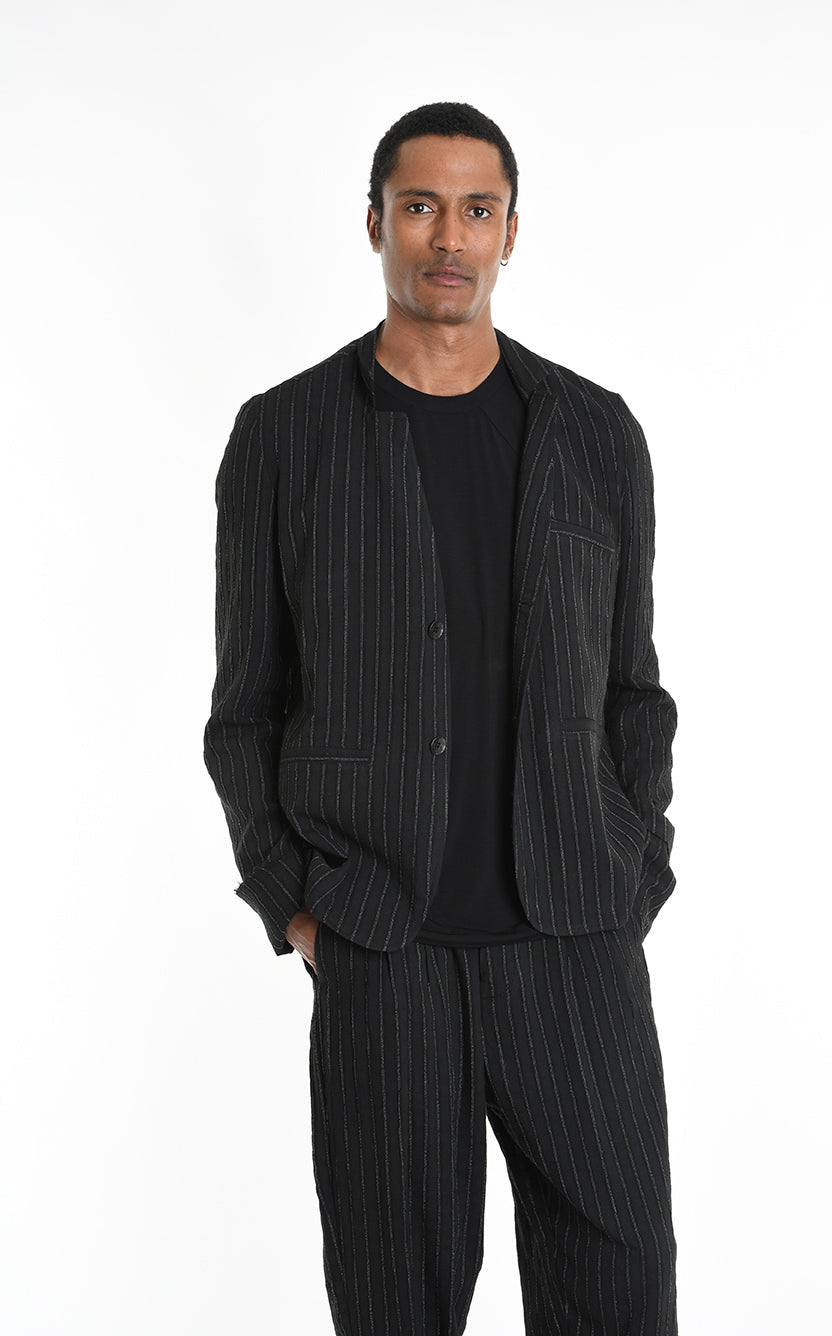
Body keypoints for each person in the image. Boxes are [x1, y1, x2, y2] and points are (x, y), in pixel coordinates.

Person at [203, 100, 679, 1335]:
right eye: (420, 207)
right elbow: (244, 712)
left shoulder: (595, 434)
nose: (447, 238)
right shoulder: (283, 437)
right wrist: (297, 907)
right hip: (384, 947)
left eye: (476, 210)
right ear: (374, 223)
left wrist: (636, 867)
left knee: (622, 1290)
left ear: (512, 231)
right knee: (394, 1308)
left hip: (574, 944)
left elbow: (633, 691)